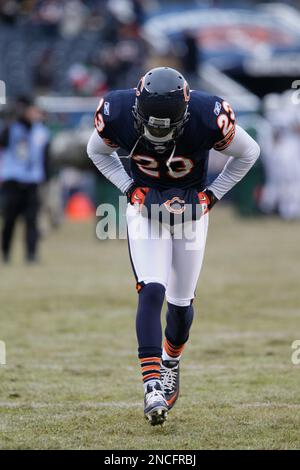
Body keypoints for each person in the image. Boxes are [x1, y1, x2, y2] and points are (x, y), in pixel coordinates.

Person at [87, 67, 260, 426]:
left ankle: (171, 362)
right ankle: (151, 384)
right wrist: (130, 188)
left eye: (167, 125)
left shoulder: (207, 115)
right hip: (145, 209)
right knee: (151, 290)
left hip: (191, 214)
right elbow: (96, 152)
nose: (158, 133)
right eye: (152, 124)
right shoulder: (117, 111)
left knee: (180, 307)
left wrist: (211, 196)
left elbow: (249, 153)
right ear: (137, 108)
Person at [0, 96, 50, 263]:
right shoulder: (10, 128)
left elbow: (45, 158)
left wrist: (45, 179)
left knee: (31, 220)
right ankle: (6, 252)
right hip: (13, 179)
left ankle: (31, 255)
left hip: (32, 181)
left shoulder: (41, 131)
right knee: (9, 220)